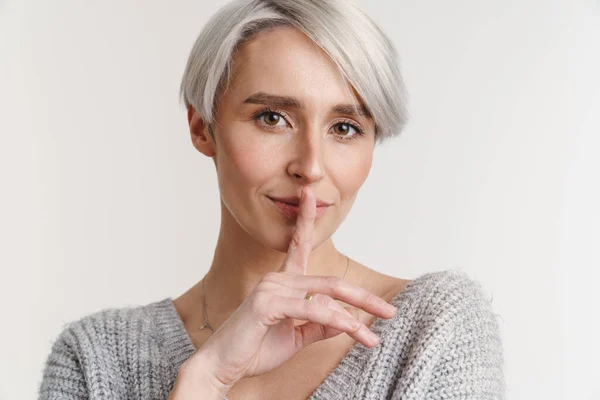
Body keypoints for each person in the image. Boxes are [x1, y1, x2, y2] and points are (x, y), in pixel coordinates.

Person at [38, 0, 505, 399]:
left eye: (345, 128)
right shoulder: (95, 358)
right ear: (203, 127)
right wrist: (204, 378)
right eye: (272, 118)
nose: (311, 166)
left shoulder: (435, 328)